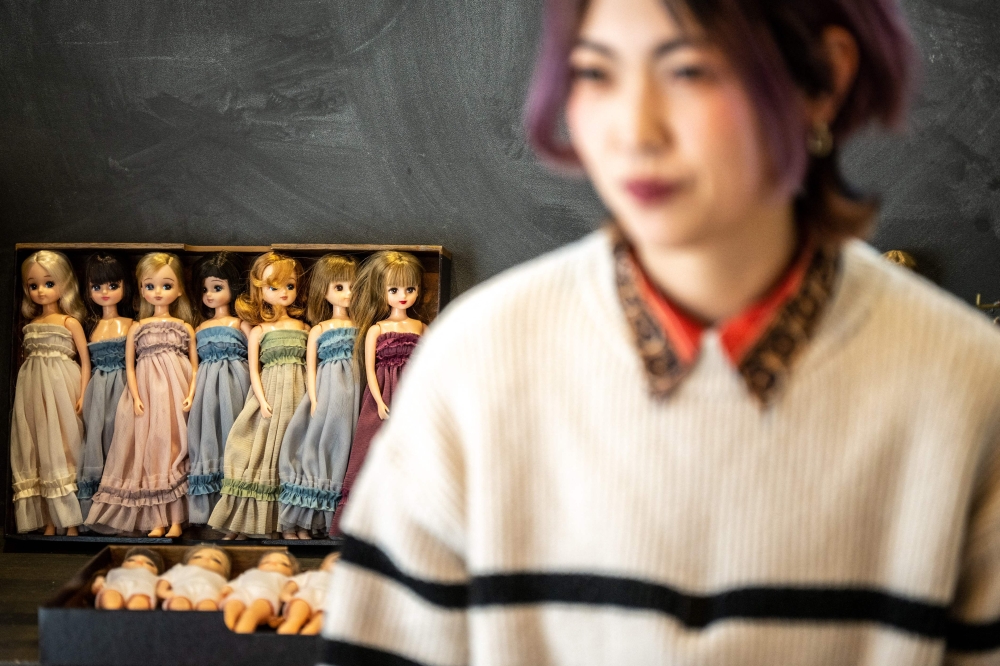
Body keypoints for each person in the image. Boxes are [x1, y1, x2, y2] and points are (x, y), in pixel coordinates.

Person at [322, 0, 1000, 664]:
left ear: (820, 79)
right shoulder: (475, 365)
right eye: (595, 73)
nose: (633, 130)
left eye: (689, 70)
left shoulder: (965, 384)